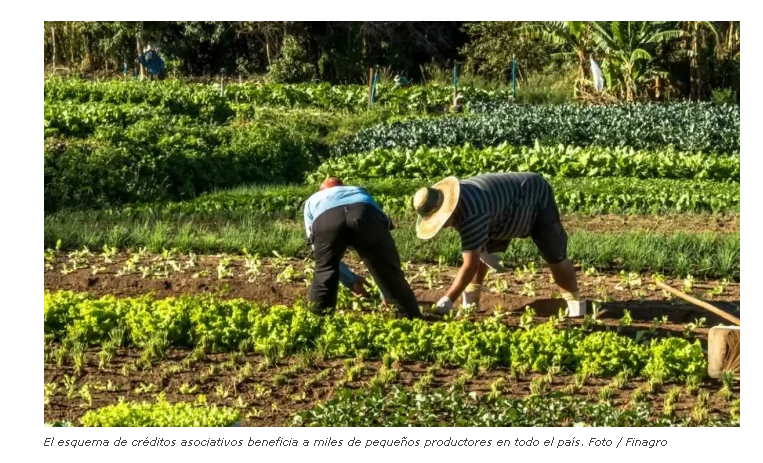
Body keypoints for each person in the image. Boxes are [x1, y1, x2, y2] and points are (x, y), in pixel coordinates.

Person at [412, 172, 585, 315]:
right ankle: (471, 303)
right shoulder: (458, 201)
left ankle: (576, 305)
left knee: (554, 254)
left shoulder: (472, 212)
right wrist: (483, 251)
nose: (442, 226)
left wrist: (448, 300)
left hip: (534, 195)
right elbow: (475, 250)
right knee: (479, 250)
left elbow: (470, 265)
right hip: (500, 210)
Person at [303, 177, 421, 318]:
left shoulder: (313, 200)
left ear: (321, 191)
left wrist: (351, 281)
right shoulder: (357, 191)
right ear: (343, 187)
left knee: (325, 271)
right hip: (364, 213)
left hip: (326, 221)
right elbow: (383, 254)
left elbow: (319, 252)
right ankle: (410, 320)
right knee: (388, 269)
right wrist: (386, 292)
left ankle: (317, 324)